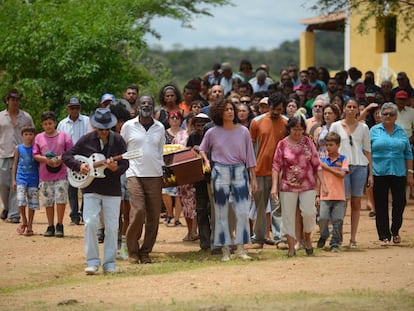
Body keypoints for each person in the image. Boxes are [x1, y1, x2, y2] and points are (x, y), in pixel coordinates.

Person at [63, 107, 128, 274]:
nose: (104, 132)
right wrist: (80, 166)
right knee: (90, 223)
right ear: (95, 127)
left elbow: (125, 163)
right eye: (101, 129)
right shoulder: (86, 140)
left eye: (107, 129)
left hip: (112, 190)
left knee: (112, 227)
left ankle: (109, 263)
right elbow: (67, 156)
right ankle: (92, 261)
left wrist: (115, 168)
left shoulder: (119, 140)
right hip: (90, 188)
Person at [200, 98, 257, 261]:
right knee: (221, 212)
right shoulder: (211, 132)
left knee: (242, 211)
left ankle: (241, 249)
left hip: (240, 170)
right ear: (219, 112)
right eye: (226, 109)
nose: (230, 112)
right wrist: (206, 161)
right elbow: (202, 149)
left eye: (232, 109)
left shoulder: (244, 131)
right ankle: (225, 250)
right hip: (220, 170)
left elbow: (250, 157)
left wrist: (253, 178)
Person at [271, 115, 328, 257]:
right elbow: (276, 166)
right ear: (289, 129)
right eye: (294, 129)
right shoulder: (282, 144)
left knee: (309, 213)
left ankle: (307, 238)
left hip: (308, 184)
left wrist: (324, 185)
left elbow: (317, 164)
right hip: (287, 185)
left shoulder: (308, 143)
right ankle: (291, 247)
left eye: (300, 129)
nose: (297, 132)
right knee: (288, 216)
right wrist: (274, 187)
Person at [120, 95, 165, 264]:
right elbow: (122, 149)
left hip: (155, 174)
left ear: (153, 107)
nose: (146, 105)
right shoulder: (128, 126)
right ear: (138, 106)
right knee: (138, 211)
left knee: (153, 215)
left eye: (149, 104)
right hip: (134, 173)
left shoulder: (160, 127)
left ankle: (145, 251)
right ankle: (132, 251)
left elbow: (159, 151)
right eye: (143, 103)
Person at [330, 98, 373, 248]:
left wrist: (371, 173)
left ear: (357, 110)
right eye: (348, 106)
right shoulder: (335, 126)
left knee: (356, 202)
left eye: (354, 107)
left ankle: (353, 238)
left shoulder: (364, 127)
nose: (351, 109)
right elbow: (330, 148)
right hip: (342, 168)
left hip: (360, 166)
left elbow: (367, 150)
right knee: (342, 202)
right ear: (343, 108)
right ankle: (338, 237)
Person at [370, 102, 413, 245]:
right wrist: (368, 172)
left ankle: (395, 230)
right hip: (379, 172)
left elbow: (408, 153)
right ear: (381, 116)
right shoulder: (373, 131)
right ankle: (384, 236)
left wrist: (410, 173)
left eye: (391, 114)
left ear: (396, 117)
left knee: (400, 203)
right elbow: (367, 152)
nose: (388, 116)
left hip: (399, 172)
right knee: (381, 204)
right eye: (385, 114)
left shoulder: (401, 132)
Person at [249, 93, 287, 247]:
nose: (276, 111)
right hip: (259, 171)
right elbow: (250, 149)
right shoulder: (256, 122)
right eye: (273, 108)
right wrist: (250, 172)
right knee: (259, 206)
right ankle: (258, 238)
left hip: (279, 171)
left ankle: (280, 238)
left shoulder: (286, 122)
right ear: (268, 106)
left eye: (279, 109)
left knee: (278, 206)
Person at [33, 111, 73, 237]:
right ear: (42, 125)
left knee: (61, 199)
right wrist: (46, 160)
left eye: (50, 123)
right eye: (45, 124)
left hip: (61, 173)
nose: (48, 126)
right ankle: (50, 225)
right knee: (48, 200)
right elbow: (35, 154)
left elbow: (70, 151)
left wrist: (60, 159)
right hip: (45, 174)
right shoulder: (39, 137)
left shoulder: (64, 136)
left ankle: (59, 225)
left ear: (55, 123)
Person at [0, 89, 34, 223]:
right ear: (7, 100)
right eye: (12, 99)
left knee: (17, 184)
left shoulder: (26, 117)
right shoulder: (1, 116)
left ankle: (14, 214)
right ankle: (7, 208)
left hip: (22, 154)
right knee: (3, 183)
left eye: (17, 99)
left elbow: (32, 133)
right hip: (3, 153)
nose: (15, 102)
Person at [57, 96, 90, 225]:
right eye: (72, 108)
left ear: (80, 108)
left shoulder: (87, 121)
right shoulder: (62, 124)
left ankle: (84, 213)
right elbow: (60, 142)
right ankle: (74, 215)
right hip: (70, 159)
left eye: (77, 107)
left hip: (85, 158)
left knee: (86, 187)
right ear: (68, 108)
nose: (74, 110)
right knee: (72, 188)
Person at [316, 132, 349, 252]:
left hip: (339, 196)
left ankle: (335, 243)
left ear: (338, 145)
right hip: (325, 195)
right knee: (322, 218)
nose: (328, 147)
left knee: (337, 220)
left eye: (331, 145)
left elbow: (342, 174)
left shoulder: (343, 159)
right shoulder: (323, 160)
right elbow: (319, 178)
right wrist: (317, 194)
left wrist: (327, 168)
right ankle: (324, 234)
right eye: (327, 145)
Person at [187, 113, 212, 250]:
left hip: (212, 176)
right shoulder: (193, 137)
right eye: (198, 125)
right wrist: (193, 149)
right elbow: (186, 153)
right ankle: (205, 241)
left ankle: (215, 238)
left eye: (203, 125)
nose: (201, 127)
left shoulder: (214, 134)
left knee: (213, 208)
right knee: (201, 208)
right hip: (199, 178)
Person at [11, 126, 39, 236]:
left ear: (34, 135)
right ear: (22, 136)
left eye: (30, 134)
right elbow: (15, 164)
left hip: (33, 178)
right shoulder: (18, 148)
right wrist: (14, 179)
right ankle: (24, 220)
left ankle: (30, 225)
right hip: (21, 177)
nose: (28, 136)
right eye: (26, 134)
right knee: (21, 200)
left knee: (32, 203)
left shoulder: (36, 148)